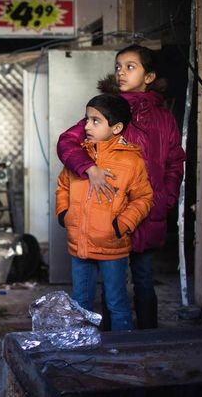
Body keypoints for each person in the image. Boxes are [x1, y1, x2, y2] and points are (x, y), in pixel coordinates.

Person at [57, 44, 186, 329]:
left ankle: (146, 340)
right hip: (107, 215)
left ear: (149, 76)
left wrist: (165, 197)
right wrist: (88, 169)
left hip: (146, 209)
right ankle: (106, 341)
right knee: (111, 283)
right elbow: (67, 143)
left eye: (130, 66)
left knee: (143, 277)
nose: (121, 72)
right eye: (118, 66)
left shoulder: (164, 119)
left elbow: (175, 162)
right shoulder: (107, 111)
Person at [56, 94, 154, 331]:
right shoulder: (79, 155)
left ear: (117, 127)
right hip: (79, 243)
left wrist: (122, 225)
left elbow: (144, 197)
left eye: (95, 120)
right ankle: (83, 350)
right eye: (86, 119)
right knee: (80, 303)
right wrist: (64, 213)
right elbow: (63, 186)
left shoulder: (132, 161)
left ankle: (122, 353)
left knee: (117, 303)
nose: (86, 126)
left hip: (112, 246)